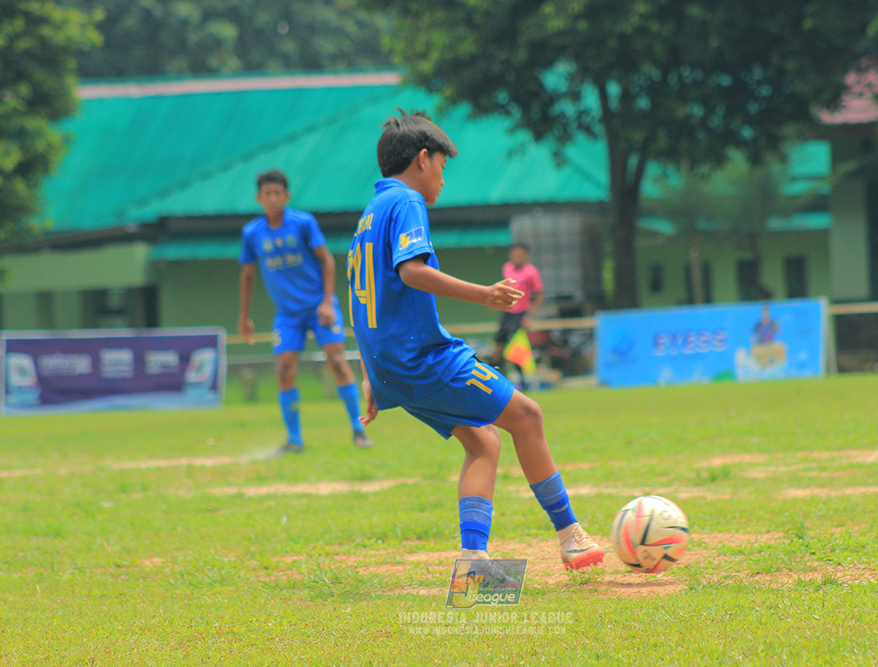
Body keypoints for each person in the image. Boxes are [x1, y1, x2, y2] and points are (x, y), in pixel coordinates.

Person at [346, 110, 604, 570]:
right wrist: (484, 294)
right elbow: (412, 272)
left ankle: (475, 563)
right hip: (423, 359)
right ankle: (571, 537)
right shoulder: (407, 201)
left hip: (391, 368)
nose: (443, 179)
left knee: (484, 442)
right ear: (423, 159)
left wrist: (370, 372)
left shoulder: (369, 215)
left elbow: (362, 297)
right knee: (527, 416)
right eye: (442, 166)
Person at [239, 169, 373, 456]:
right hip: (288, 314)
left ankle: (358, 429)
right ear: (258, 198)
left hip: (318, 306)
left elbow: (327, 261)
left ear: (286, 196)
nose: (273, 199)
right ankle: (294, 440)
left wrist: (327, 302)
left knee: (336, 360)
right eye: (267, 194)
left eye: (277, 193)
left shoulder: (303, 223)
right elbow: (248, 275)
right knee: (284, 368)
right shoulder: (252, 233)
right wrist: (244, 315)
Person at [489, 242, 544, 377]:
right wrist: (495, 303)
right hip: (507, 311)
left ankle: (522, 380)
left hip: (521, 313)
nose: (517, 258)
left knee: (517, 347)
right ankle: (494, 374)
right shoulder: (507, 268)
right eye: (515, 255)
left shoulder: (531, 272)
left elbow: (539, 295)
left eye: (520, 255)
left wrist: (528, 316)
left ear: (526, 256)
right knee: (499, 343)